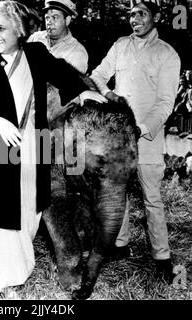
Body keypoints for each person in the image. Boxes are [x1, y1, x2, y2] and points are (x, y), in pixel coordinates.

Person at [0, 0, 106, 298]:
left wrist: (83, 90)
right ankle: (0, 284)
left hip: (33, 151)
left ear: (19, 29)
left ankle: (6, 276)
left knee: (27, 215)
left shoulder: (36, 55)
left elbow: (61, 71)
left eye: (1, 28)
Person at [90, 0, 181, 282]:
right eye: (131, 14)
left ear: (155, 17)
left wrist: (142, 128)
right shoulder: (120, 45)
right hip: (118, 136)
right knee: (119, 193)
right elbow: (97, 75)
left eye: (141, 14)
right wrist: (109, 94)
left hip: (147, 137)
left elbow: (166, 103)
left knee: (151, 197)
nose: (135, 19)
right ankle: (120, 244)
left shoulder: (167, 54)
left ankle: (162, 257)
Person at [28, 0, 88, 74]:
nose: (49, 22)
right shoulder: (35, 38)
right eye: (47, 18)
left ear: (67, 20)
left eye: (54, 17)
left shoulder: (77, 53)